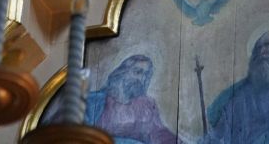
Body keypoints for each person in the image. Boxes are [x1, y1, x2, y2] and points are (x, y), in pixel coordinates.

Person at [42, 54, 181, 144]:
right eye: (137, 72)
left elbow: (158, 133)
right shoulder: (93, 102)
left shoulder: (146, 106)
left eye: (146, 75)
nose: (141, 79)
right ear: (122, 73)